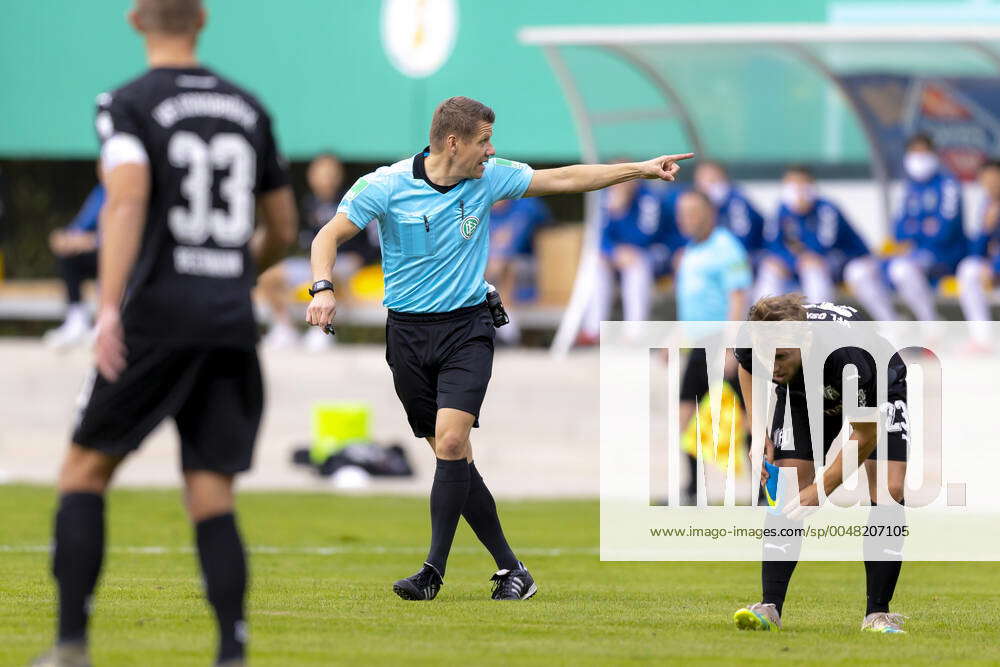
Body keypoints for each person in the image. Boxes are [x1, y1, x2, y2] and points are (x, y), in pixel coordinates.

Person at [306, 95, 693, 601]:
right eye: (484, 141)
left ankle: (431, 573)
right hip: (406, 335)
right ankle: (512, 569)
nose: (491, 150)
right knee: (456, 459)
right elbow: (327, 237)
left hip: (468, 329)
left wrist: (637, 171)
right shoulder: (385, 185)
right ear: (453, 142)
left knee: (449, 444)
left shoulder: (489, 178)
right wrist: (322, 287)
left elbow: (566, 178)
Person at [33, 2, 297, 666]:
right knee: (211, 491)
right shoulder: (250, 106)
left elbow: (126, 194)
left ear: (134, 21)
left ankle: (70, 645)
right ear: (201, 20)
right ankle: (231, 650)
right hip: (229, 323)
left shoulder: (125, 103)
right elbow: (285, 228)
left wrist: (111, 309)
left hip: (154, 316)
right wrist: (235, 274)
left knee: (84, 470)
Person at [731, 295, 909, 635]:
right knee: (788, 484)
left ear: (805, 340)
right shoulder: (756, 334)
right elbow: (746, 366)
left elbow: (865, 434)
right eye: (767, 358)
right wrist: (758, 434)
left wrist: (823, 487)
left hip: (879, 387)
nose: (772, 366)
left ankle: (877, 614)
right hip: (802, 393)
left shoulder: (850, 355)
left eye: (781, 357)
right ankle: (769, 608)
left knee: (890, 487)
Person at [673, 190, 752, 502]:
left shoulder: (726, 247)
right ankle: (692, 489)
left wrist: (733, 348)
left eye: (692, 211)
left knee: (747, 417)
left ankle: (763, 488)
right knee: (685, 414)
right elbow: (692, 304)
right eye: (682, 212)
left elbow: (737, 297)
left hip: (721, 341)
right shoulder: (690, 250)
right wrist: (676, 339)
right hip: (698, 343)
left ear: (709, 214)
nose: (685, 218)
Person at [259, 152, 379, 350]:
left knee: (330, 275)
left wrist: (361, 258)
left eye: (331, 174)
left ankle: (321, 329)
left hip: (344, 262)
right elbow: (307, 243)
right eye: (321, 174)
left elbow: (374, 242)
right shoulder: (309, 204)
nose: (326, 179)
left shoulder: (352, 201)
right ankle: (284, 328)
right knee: (268, 276)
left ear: (339, 175)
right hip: (313, 262)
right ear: (311, 176)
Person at [754, 165, 898, 321]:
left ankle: (820, 326)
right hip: (804, 264)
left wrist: (796, 258)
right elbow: (773, 245)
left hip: (845, 261)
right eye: (791, 184)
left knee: (814, 269)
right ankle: (763, 326)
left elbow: (821, 247)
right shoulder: (783, 209)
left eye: (801, 184)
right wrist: (788, 260)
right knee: (771, 267)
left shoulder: (826, 209)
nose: (796, 190)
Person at [580, 175, 683, 344]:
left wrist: (620, 213)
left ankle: (635, 332)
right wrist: (613, 252)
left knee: (636, 263)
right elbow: (599, 238)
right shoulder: (608, 198)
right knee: (596, 262)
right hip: (622, 256)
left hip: (659, 252)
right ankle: (593, 329)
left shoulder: (649, 199)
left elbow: (644, 237)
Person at [886, 133, 967, 321]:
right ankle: (894, 323)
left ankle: (930, 324)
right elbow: (898, 231)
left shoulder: (948, 185)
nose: (919, 158)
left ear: (934, 155)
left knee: (902, 269)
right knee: (868, 271)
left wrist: (914, 230)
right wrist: (923, 227)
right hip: (916, 254)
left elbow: (944, 231)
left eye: (924, 153)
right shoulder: (909, 188)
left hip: (945, 255)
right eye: (914, 153)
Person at [43, 170, 105, 349]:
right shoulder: (100, 192)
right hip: (98, 253)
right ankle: (77, 320)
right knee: (68, 256)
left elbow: (123, 237)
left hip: (125, 259)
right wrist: (64, 238)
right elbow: (79, 226)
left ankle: (106, 321)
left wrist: (89, 241)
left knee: (113, 260)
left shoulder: (129, 190)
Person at [485, 196, 550, 344]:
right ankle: (503, 330)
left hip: (526, 264)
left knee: (508, 266)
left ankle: (508, 332)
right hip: (488, 270)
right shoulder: (480, 208)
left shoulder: (527, 205)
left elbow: (550, 228)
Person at [957, 159, 1000, 347]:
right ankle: (982, 339)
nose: (990, 185)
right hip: (993, 271)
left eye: (994, 179)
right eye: (986, 181)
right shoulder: (987, 205)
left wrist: (995, 267)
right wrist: (985, 228)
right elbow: (976, 251)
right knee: (968, 268)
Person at [693, 160, 767, 268]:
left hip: (742, 255)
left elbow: (742, 241)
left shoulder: (736, 202)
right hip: (710, 254)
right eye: (701, 180)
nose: (706, 185)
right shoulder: (695, 203)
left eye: (712, 179)